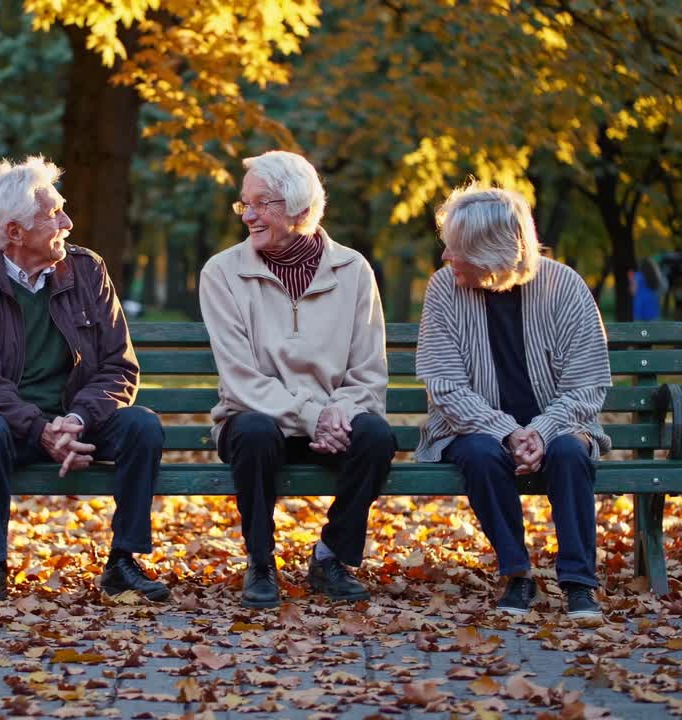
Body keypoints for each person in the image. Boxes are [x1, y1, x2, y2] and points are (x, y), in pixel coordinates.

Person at [0, 157, 169, 609]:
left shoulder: (87, 271)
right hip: (13, 428)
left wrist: (76, 419)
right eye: (54, 215)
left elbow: (118, 367)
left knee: (142, 425)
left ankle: (122, 563)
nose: (67, 222)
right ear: (14, 232)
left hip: (79, 422)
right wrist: (40, 430)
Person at [199, 150, 396, 609]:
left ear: (300, 209)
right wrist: (313, 417)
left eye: (262, 203)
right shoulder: (222, 272)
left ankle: (332, 556)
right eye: (244, 204)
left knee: (376, 436)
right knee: (251, 430)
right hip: (258, 420)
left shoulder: (353, 270)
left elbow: (368, 373)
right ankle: (261, 561)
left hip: (332, 423)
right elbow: (241, 378)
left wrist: (339, 414)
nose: (248, 215)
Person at [416, 184, 611, 622]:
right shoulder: (444, 289)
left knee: (569, 452)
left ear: (492, 252)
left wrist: (541, 431)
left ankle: (579, 583)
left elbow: (587, 385)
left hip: (559, 425)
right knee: (482, 454)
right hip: (471, 428)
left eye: (457, 249)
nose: (446, 257)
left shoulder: (565, 287)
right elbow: (443, 385)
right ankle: (517, 573)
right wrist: (506, 430)